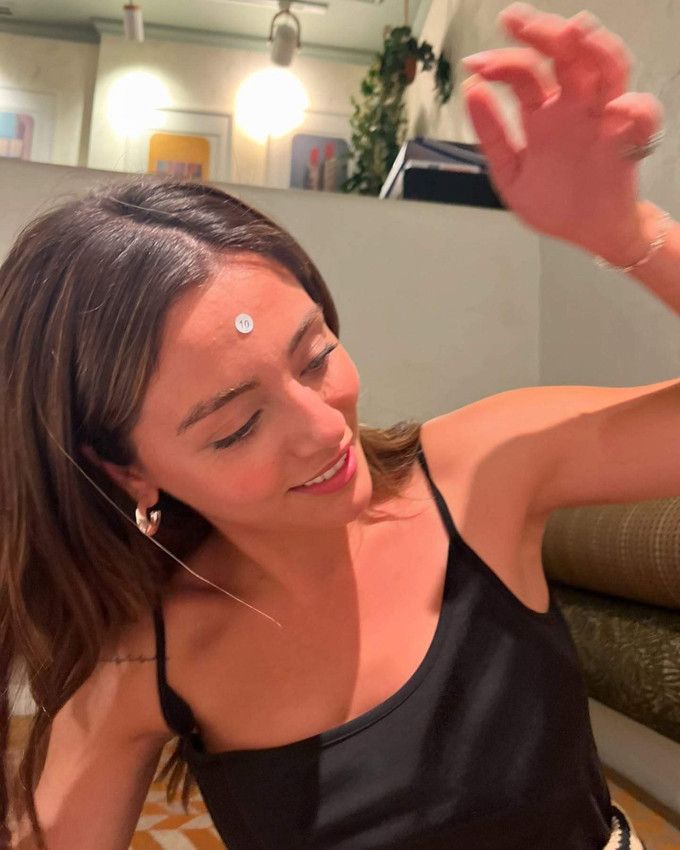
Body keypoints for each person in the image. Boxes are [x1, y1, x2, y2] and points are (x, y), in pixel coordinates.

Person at [2, 3, 678, 849]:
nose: (324, 430)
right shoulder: (149, 659)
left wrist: (627, 230)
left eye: (316, 355)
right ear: (125, 469)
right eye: (235, 427)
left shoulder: (479, 473)